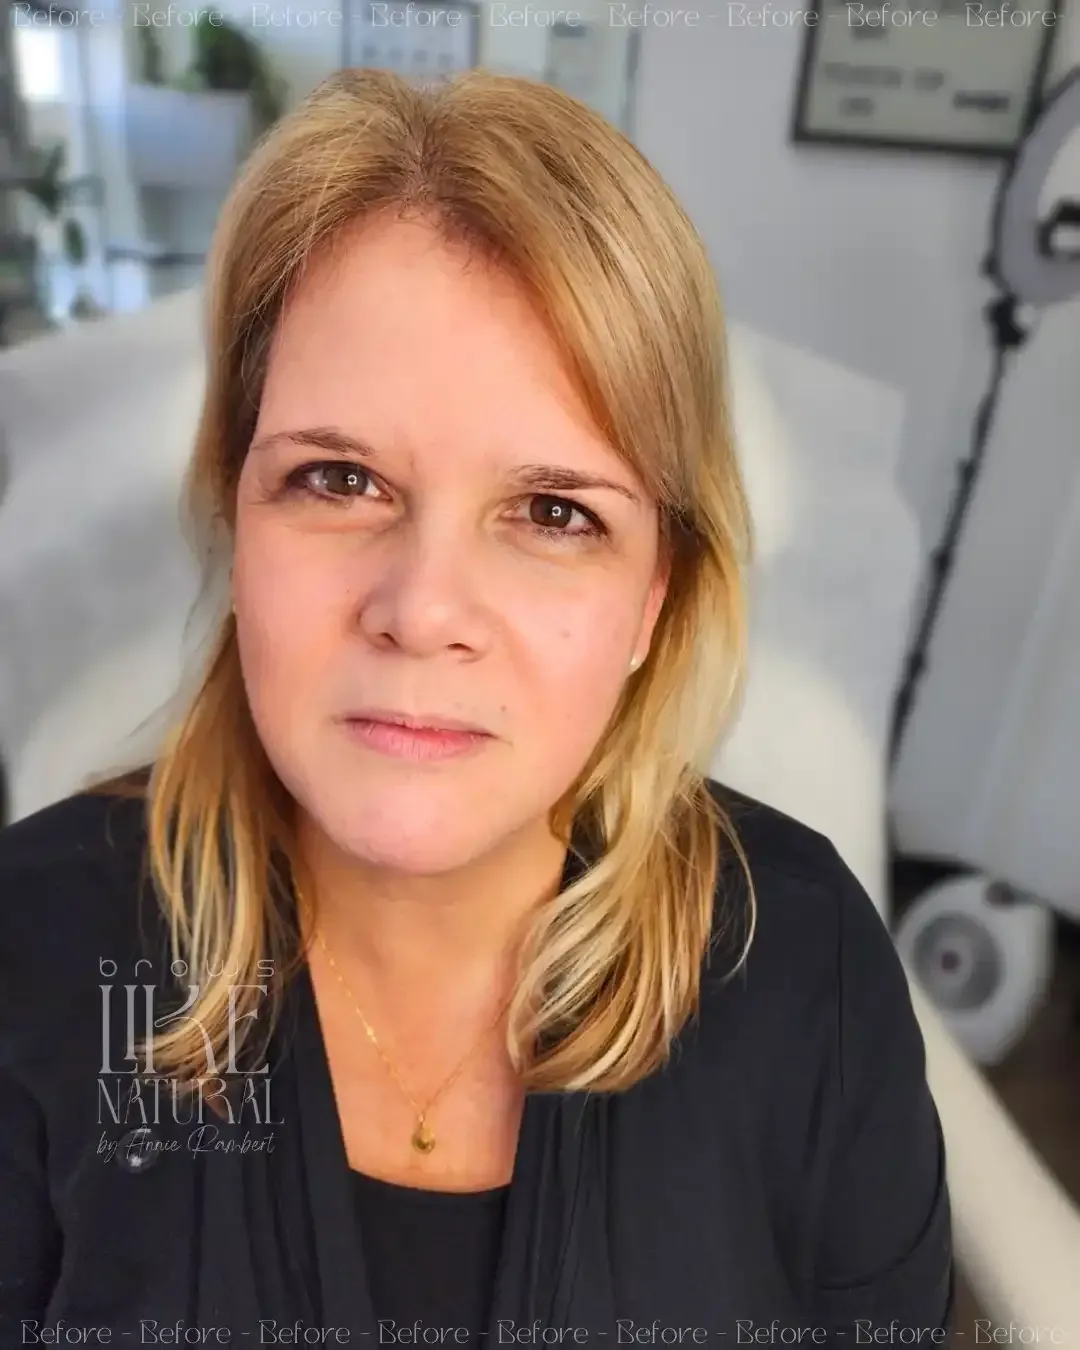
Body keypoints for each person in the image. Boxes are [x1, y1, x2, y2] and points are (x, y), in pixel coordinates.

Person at [0, 68, 953, 1346]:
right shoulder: (37, 948)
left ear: (655, 597)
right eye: (339, 479)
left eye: (555, 512)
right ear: (238, 517)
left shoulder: (803, 965)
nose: (422, 606)